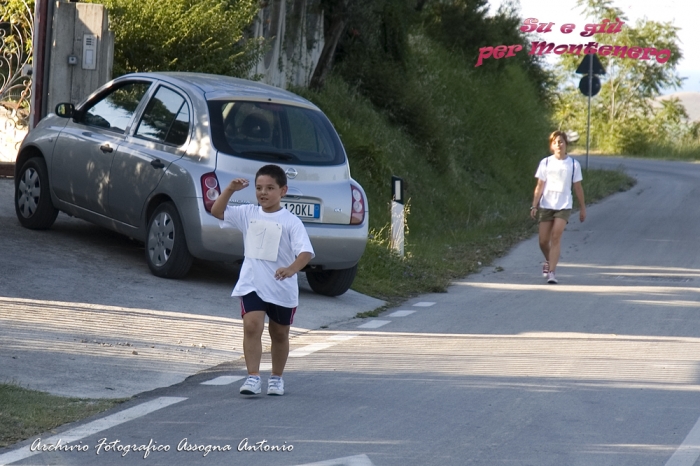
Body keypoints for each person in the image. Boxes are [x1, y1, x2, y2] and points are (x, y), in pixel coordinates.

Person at [211, 164, 314, 396]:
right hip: (252, 282)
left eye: (270, 188)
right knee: (252, 325)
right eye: (259, 188)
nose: (263, 193)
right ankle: (253, 377)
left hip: (281, 288)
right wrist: (229, 190)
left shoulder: (291, 221)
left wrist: (291, 269)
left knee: (279, 333)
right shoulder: (248, 213)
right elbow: (217, 212)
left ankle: (276, 378)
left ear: (283, 191)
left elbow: (306, 253)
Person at [530, 131, 586, 284]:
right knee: (543, 241)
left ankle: (552, 273)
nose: (558, 145)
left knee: (556, 236)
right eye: (555, 142)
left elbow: (578, 188)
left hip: (564, 205)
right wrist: (534, 205)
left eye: (561, 142)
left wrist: (582, 208)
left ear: (566, 144)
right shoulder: (546, 163)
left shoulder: (574, 165)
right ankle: (549, 261)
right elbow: (539, 186)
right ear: (551, 146)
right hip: (547, 204)